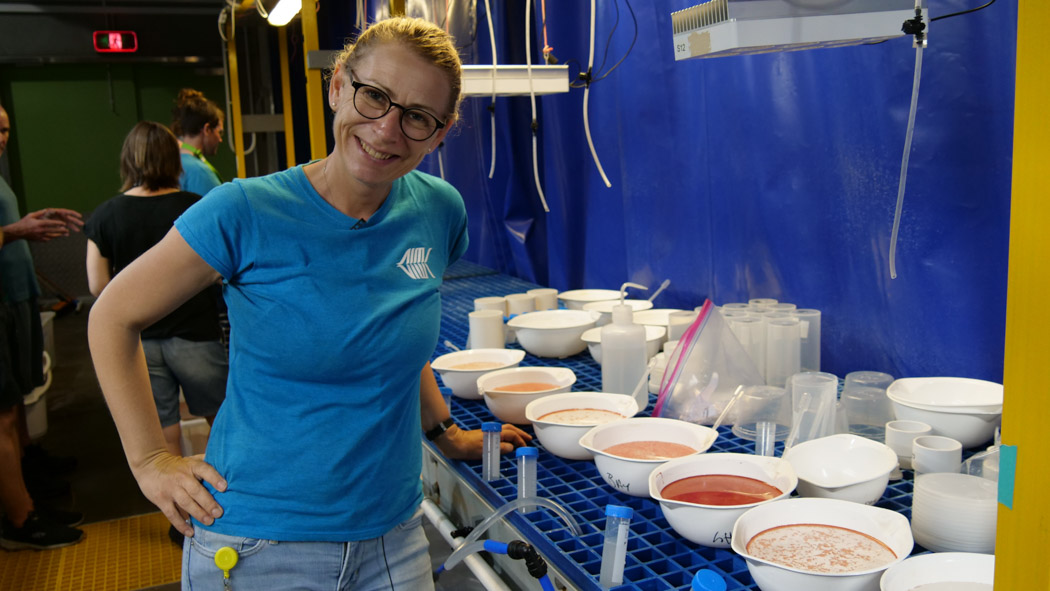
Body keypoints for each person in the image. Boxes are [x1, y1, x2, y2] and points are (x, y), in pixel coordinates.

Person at [89, 16, 530, 588]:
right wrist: (149, 461)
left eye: (418, 117)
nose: (388, 130)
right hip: (258, 541)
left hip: (395, 534)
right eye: (375, 97)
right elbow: (111, 316)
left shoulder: (438, 210)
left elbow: (395, 339)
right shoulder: (242, 212)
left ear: (440, 133)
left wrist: (445, 432)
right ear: (339, 85)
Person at [84, 121, 227, 461]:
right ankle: (231, 499)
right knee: (222, 421)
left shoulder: (106, 215)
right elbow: (222, 271)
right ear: (172, 160)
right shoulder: (196, 207)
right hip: (196, 336)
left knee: (164, 434)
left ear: (128, 161)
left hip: (141, 342)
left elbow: (97, 285)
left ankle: (178, 512)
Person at [0, 103, 86, 550]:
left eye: (6, 129)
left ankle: (28, 481)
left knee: (17, 403)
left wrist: (26, 224)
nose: (1, 138)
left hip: (15, 300)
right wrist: (16, 231)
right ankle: (20, 518)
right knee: (3, 411)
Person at [172, 89, 224, 196]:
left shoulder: (171, 165)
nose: (220, 139)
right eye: (219, 132)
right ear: (207, 129)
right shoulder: (200, 173)